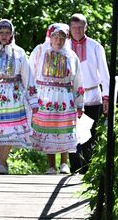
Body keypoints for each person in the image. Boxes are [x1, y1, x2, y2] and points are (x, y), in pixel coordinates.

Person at [29, 23, 85, 175]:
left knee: (64, 129)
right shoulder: (40, 51)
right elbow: (30, 74)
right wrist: (31, 97)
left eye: (62, 37)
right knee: (49, 129)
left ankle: (64, 163)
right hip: (45, 96)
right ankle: (51, 165)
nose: (58, 41)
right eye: (55, 37)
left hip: (65, 97)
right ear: (50, 37)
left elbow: (78, 81)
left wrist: (80, 103)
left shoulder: (71, 56)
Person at [0, 19, 38, 174]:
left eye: (7, 33)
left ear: (12, 34)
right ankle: (1, 161)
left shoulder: (19, 52)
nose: (4, 36)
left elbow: (27, 76)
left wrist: (33, 100)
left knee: (8, 128)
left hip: (12, 94)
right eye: (1, 33)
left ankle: (2, 163)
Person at [66, 13, 110, 174]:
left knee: (89, 134)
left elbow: (105, 73)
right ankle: (75, 168)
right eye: (74, 27)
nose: (77, 30)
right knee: (72, 133)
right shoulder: (65, 46)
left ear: (86, 27)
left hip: (92, 96)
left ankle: (88, 170)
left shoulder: (95, 46)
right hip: (70, 96)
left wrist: (106, 96)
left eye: (80, 27)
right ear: (70, 28)